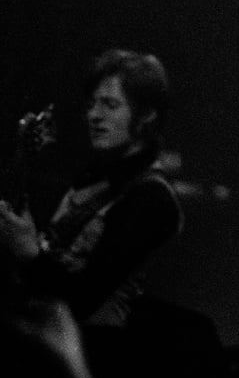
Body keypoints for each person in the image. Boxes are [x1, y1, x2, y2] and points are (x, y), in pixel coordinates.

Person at [0, 48, 183, 328]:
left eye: (110, 105)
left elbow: (83, 299)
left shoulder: (152, 197)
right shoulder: (93, 179)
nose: (94, 115)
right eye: (91, 104)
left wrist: (29, 253)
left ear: (146, 114)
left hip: (96, 347)